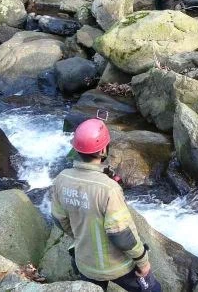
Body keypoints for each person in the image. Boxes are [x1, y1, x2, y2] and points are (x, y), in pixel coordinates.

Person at [50, 118, 162, 292]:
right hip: (117, 267)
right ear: (103, 150)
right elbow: (121, 235)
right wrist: (143, 262)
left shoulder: (61, 179)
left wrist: (81, 236)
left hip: (85, 264)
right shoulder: (109, 188)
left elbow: (59, 219)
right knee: (153, 290)